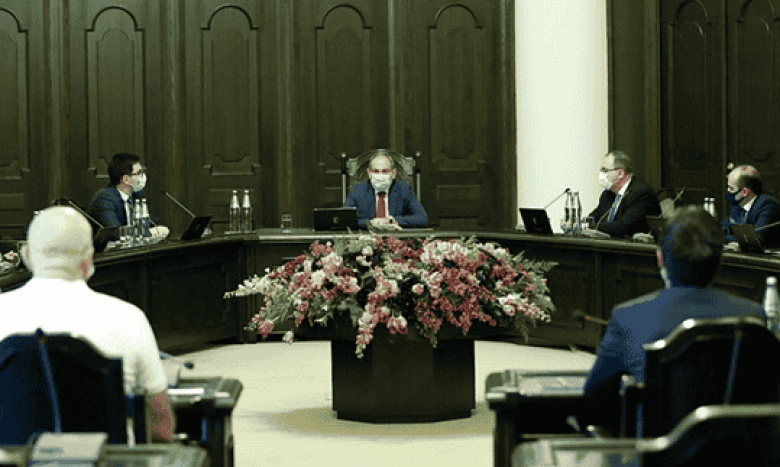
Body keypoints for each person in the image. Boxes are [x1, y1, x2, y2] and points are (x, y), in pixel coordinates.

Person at [583, 206, 766, 432]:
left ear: (660, 258)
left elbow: (595, 400)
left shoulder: (628, 316)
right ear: (719, 260)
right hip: (732, 448)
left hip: (655, 450)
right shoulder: (753, 316)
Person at [0, 206, 174, 441]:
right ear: (89, 257)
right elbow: (161, 429)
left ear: (27, 255)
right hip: (108, 457)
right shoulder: (128, 318)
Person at [87, 153, 169, 237]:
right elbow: (116, 233)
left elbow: (153, 222)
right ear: (126, 179)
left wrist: (159, 229)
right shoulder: (104, 199)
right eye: (139, 173)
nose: (143, 176)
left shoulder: (137, 195)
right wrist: (149, 233)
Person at [344, 152, 428, 229]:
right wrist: (370, 222)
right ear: (369, 173)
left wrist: (393, 221)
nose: (380, 176)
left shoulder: (404, 189)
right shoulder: (357, 191)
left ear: (393, 173)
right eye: (376, 171)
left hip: (396, 237)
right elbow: (345, 220)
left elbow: (422, 218)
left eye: (384, 171)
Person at [588, 150, 661, 237]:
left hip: (634, 244)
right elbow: (593, 218)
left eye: (605, 170)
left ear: (620, 174)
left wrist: (594, 226)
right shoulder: (608, 194)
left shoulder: (641, 193)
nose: (601, 174)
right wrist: (583, 223)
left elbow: (623, 227)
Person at [722, 165, 780, 248]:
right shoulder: (738, 206)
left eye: (731, 188)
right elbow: (723, 230)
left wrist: (730, 239)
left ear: (745, 192)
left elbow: (755, 239)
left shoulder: (768, 205)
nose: (727, 191)